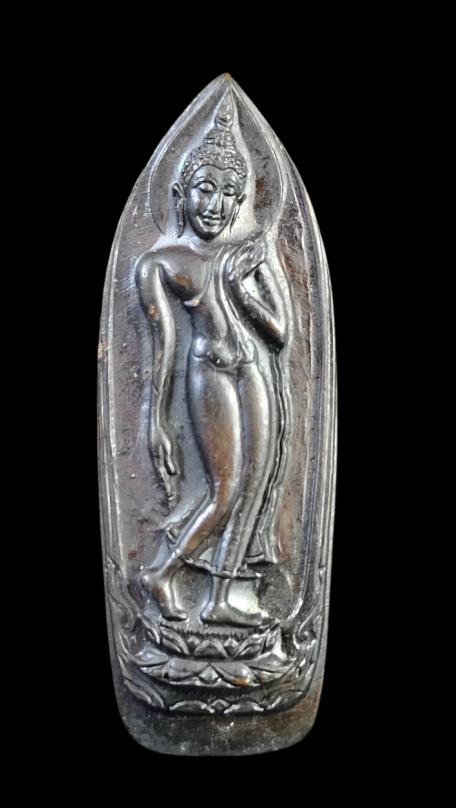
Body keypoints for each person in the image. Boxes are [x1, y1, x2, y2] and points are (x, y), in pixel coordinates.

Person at [136, 91, 289, 627]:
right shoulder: (161, 262)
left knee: (256, 485)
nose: (215, 205)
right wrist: (156, 421)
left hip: (254, 373)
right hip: (210, 372)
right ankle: (162, 571)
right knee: (224, 491)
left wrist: (240, 289)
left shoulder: (250, 253)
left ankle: (221, 597)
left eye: (228, 193)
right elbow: (163, 350)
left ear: (242, 200)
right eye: (205, 188)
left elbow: (281, 333)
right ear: (181, 194)